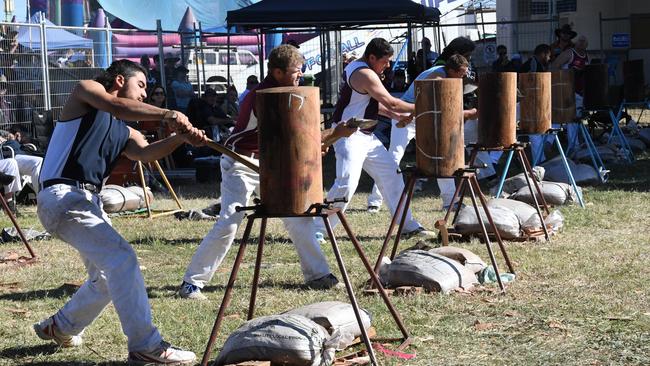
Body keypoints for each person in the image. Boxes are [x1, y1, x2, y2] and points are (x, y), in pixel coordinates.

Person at [32, 59, 206, 365]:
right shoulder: (87, 91)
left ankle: (61, 327)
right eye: (140, 85)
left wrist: (181, 137)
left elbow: (146, 153)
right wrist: (169, 114)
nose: (144, 94)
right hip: (64, 195)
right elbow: (117, 105)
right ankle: (145, 345)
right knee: (122, 260)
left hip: (85, 201)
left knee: (105, 276)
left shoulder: (124, 130)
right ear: (118, 80)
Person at [179, 45, 357, 300]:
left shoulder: (285, 91)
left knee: (299, 215)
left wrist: (320, 143)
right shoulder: (264, 97)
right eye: (296, 71)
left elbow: (298, 142)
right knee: (230, 220)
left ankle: (317, 274)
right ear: (277, 72)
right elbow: (294, 140)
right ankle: (191, 283)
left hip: (271, 162)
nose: (300, 75)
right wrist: (334, 135)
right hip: (241, 162)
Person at [316, 38, 434, 239]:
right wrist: (427, 107)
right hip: (348, 135)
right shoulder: (365, 73)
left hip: (366, 136)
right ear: (372, 57)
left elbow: (369, 103)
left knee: (392, 176)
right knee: (346, 184)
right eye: (385, 61)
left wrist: (395, 116)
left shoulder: (360, 67)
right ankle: (318, 229)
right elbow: (392, 102)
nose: (388, 65)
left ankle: (408, 226)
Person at [366, 54, 477, 212]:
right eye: (461, 73)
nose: (463, 77)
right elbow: (426, 102)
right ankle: (375, 201)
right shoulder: (437, 77)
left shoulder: (446, 75)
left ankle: (450, 201)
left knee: (440, 157)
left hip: (424, 116)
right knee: (394, 157)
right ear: (451, 70)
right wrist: (466, 113)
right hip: (409, 115)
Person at [551, 34, 589, 150]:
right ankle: (553, 142)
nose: (582, 43)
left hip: (579, 91)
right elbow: (554, 66)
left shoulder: (587, 56)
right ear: (576, 43)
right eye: (580, 41)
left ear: (587, 45)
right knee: (565, 118)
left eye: (584, 41)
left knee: (575, 117)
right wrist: (563, 80)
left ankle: (574, 144)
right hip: (566, 90)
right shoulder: (569, 53)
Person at [0, 127, 43, 193]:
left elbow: (4, 133)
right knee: (36, 163)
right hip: (12, 155)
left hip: (21, 152)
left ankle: (40, 195)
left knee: (39, 161)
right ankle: (9, 200)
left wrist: (9, 135)